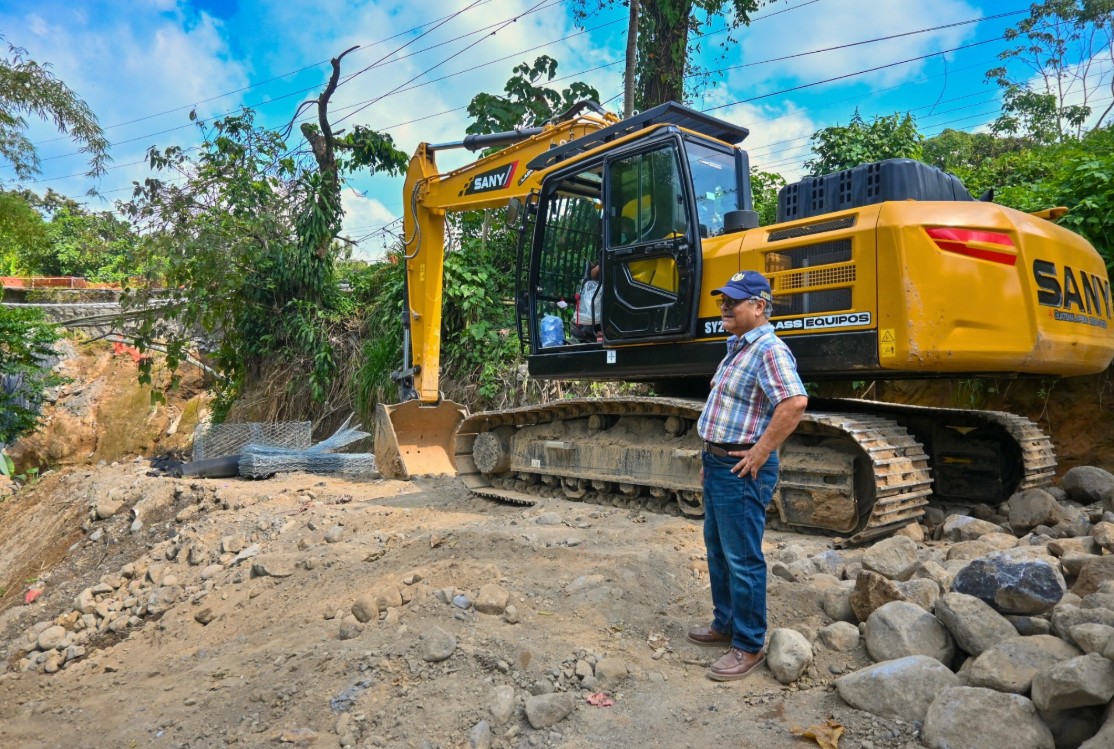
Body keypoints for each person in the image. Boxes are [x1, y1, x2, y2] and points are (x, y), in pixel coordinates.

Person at [688, 270, 808, 682]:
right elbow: (731, 410)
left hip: (741, 469)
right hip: (721, 464)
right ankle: (726, 625)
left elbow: (793, 403)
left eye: (733, 301)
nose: (724, 306)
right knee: (719, 551)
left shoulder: (769, 350)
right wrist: (710, 453)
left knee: (742, 558)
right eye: (722, 300)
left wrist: (760, 451)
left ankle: (750, 644)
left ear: (759, 307)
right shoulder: (737, 347)